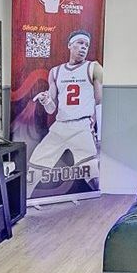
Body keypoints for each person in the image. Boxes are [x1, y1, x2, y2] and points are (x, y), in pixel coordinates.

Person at [26, 30, 103, 184]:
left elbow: (100, 102)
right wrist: (46, 100)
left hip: (82, 126)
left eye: (86, 45)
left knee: (92, 175)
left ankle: (94, 198)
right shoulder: (55, 72)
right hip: (60, 126)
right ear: (70, 45)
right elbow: (51, 109)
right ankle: (26, 197)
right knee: (34, 168)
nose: (84, 47)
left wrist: (99, 135)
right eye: (80, 43)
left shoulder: (94, 67)